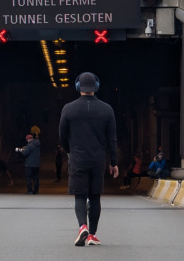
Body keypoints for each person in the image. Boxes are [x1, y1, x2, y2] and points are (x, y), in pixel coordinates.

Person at [59, 72, 118, 247]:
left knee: (80, 195)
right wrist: (113, 162)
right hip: (98, 159)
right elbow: (112, 139)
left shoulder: (68, 109)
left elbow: (62, 135)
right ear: (96, 87)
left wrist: (70, 151)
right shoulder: (107, 109)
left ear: (78, 87)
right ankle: (92, 234)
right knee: (94, 197)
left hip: (77, 158)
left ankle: (82, 226)